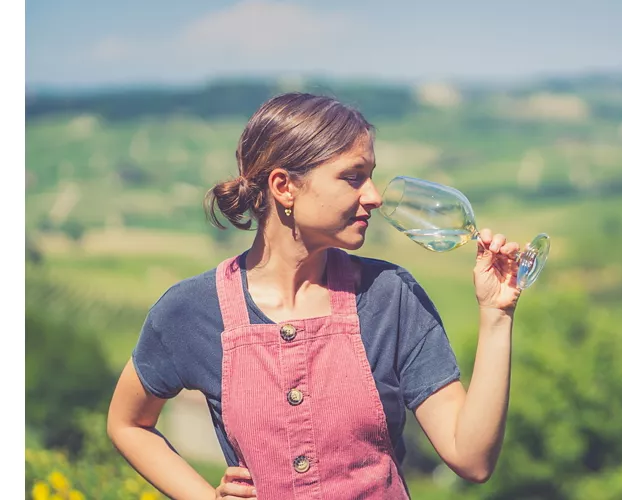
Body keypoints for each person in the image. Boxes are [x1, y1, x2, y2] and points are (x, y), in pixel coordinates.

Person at [107, 92, 523, 500]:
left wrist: (496, 313)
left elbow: (472, 459)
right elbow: (128, 425)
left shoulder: (390, 297)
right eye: (353, 177)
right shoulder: (191, 310)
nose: (374, 197)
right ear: (284, 187)